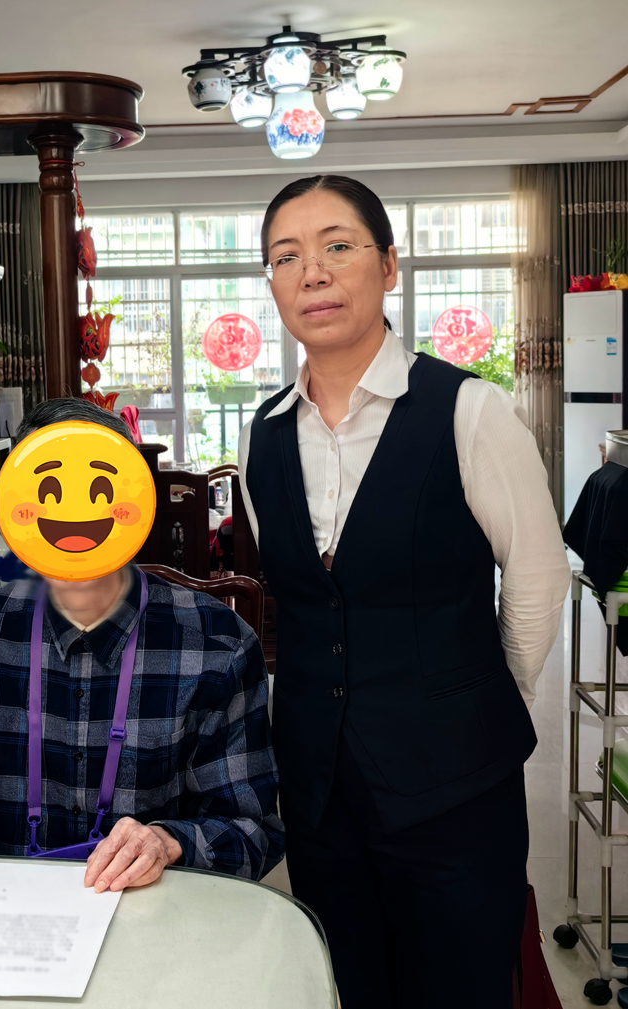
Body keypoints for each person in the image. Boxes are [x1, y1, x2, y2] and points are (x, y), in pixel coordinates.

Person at [237, 174, 571, 1008]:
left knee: (461, 985)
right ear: (272, 282)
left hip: (457, 788)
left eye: (337, 246)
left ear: (388, 266)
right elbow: (302, 596)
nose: (313, 273)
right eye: (287, 256)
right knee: (348, 984)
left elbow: (537, 577)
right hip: (319, 788)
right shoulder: (262, 436)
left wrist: (477, 697)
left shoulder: (470, 411)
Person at [0, 398, 284, 891]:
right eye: (51, 491)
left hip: (157, 916)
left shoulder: (217, 645)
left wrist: (169, 842)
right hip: (11, 918)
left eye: (98, 489)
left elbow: (253, 830)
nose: (75, 513)